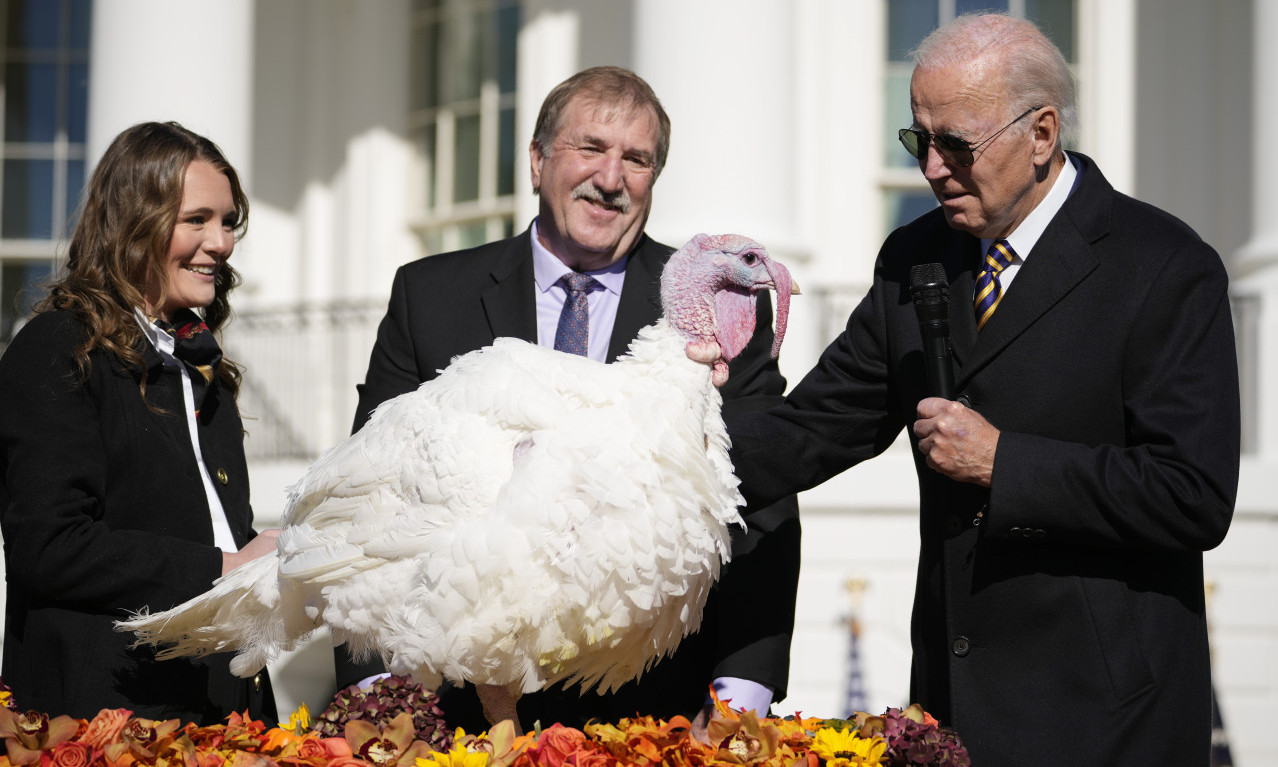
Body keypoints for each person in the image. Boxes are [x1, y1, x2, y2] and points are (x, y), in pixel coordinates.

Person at [691, 13, 1239, 766]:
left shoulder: (1165, 267)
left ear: (1042, 134)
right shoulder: (914, 257)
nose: (933, 168)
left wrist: (1003, 463)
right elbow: (816, 427)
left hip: (1109, 723)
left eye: (958, 144)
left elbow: (1191, 493)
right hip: (950, 715)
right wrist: (656, 449)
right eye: (920, 140)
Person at [340, 66, 801, 733]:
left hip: (652, 720)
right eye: (590, 148)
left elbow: (763, 500)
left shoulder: (716, 313)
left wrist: (739, 699)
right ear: (537, 160)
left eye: (636, 159)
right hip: (456, 717)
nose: (611, 178)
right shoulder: (429, 297)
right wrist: (381, 699)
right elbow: (371, 499)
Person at [0, 121, 280, 724]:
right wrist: (226, 570)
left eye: (228, 221)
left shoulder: (204, 366)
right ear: (135, 224)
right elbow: (48, 547)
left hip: (224, 713)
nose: (222, 242)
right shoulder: (56, 348)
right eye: (197, 220)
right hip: (106, 722)